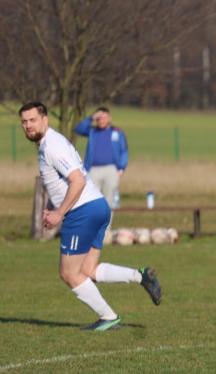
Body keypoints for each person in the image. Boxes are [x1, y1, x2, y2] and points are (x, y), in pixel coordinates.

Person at [19, 102, 161, 330]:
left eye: (33, 120)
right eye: (24, 122)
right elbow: (63, 182)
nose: (28, 125)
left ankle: (109, 317)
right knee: (87, 270)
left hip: (82, 212)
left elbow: (78, 180)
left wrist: (60, 213)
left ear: (45, 120)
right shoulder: (51, 142)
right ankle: (140, 276)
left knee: (68, 273)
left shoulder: (52, 146)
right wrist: (54, 208)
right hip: (97, 206)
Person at [75, 107, 128, 208]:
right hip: (93, 170)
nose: (101, 121)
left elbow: (124, 151)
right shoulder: (92, 131)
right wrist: (91, 117)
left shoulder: (117, 132)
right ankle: (95, 223)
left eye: (104, 118)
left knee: (109, 200)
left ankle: (108, 224)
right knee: (92, 200)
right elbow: (78, 129)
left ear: (109, 118)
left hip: (112, 170)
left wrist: (121, 168)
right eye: (99, 118)